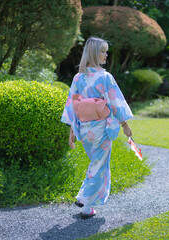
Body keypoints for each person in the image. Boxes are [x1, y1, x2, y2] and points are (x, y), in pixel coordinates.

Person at [61, 37, 133, 219]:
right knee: (99, 165)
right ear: (94, 53)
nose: (106, 54)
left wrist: (72, 130)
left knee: (97, 164)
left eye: (106, 51)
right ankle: (83, 197)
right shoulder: (105, 77)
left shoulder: (78, 77)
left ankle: (87, 208)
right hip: (101, 128)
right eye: (102, 51)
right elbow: (115, 103)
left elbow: (73, 105)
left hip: (84, 129)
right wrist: (125, 125)